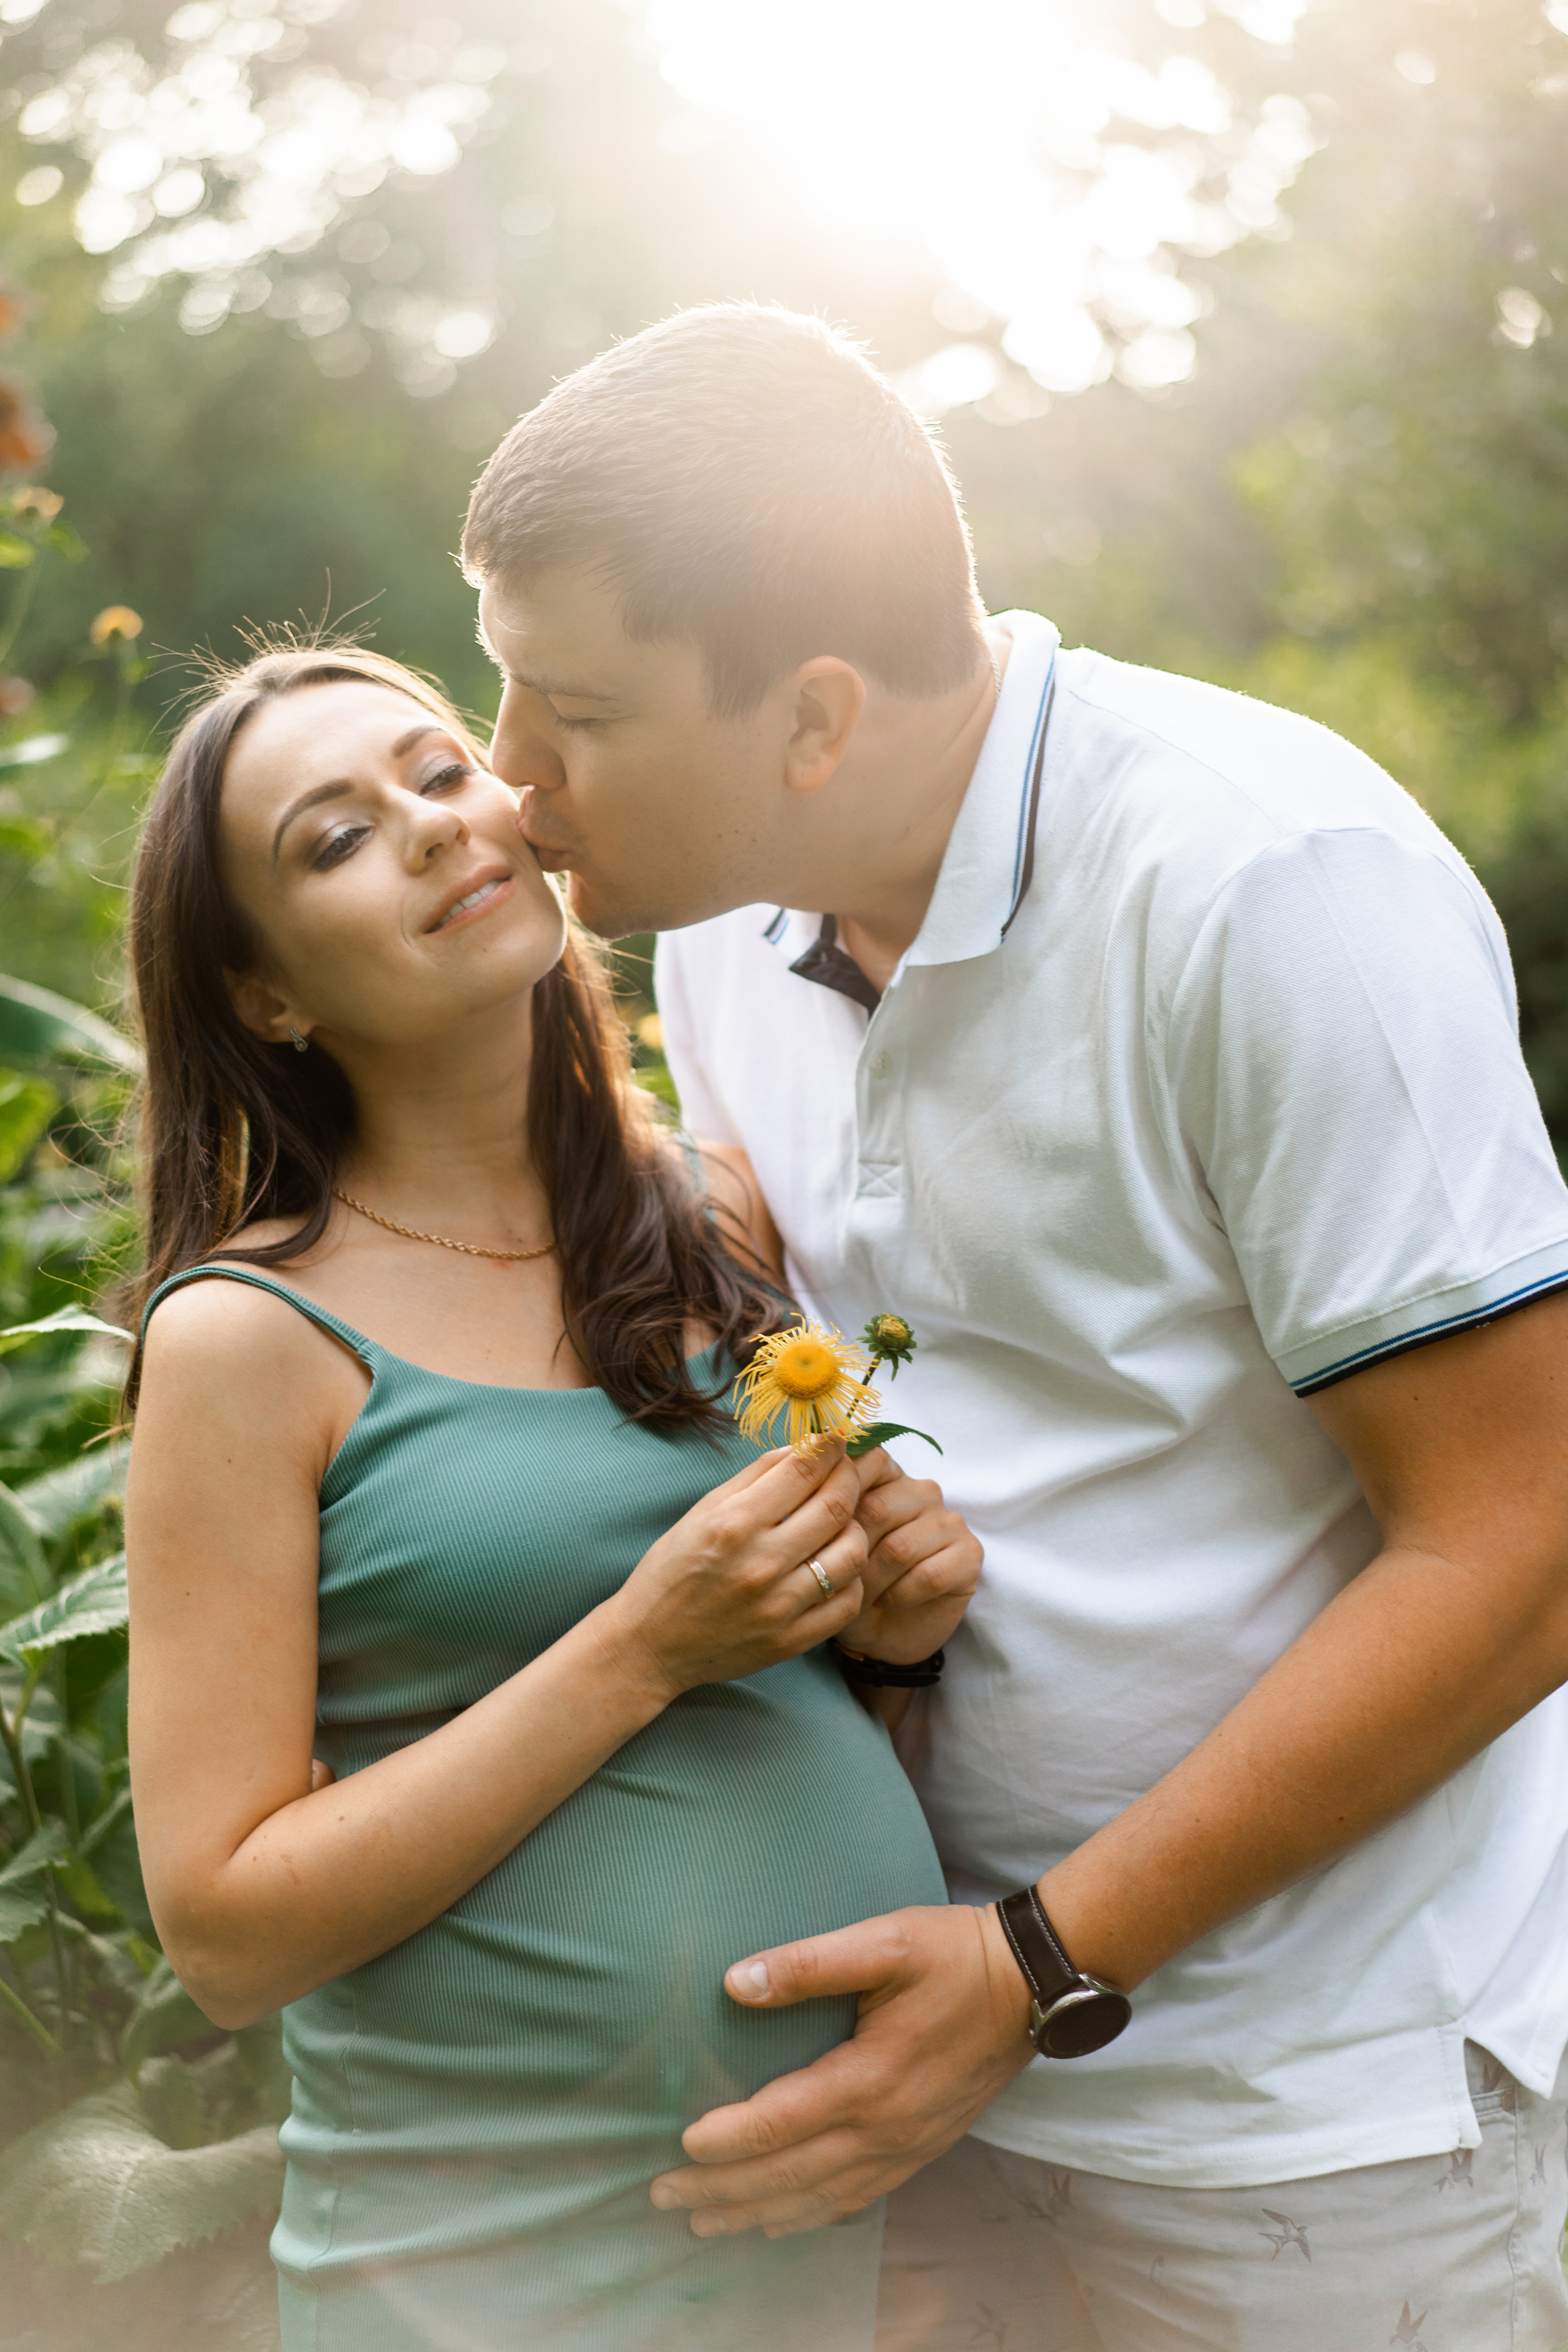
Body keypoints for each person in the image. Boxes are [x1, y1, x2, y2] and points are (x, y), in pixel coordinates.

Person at [460, 301, 1568, 2351]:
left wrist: (1039, 1965)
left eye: (571, 711)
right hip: (904, 2073)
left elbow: (1522, 1546)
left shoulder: (1264, 885)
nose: (508, 783)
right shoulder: (713, 906)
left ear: (808, 716)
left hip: (1309, 2128)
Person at [122, 642, 982, 2352]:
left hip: (819, 2230)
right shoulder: (248, 1339)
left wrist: (886, 1649)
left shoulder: (721, 1222)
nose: (434, 829)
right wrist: (642, 1645)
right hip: (488, 2265)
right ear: (268, 997)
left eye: (440, 773)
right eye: (335, 839)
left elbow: (759, 1745)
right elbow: (222, 1933)